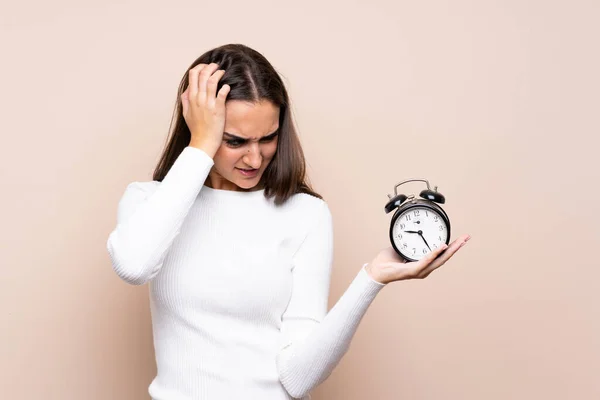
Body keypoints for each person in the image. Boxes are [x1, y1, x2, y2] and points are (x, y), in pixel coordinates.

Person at [106, 43, 470, 400]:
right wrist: (200, 146)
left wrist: (371, 278)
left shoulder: (304, 213)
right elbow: (134, 266)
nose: (255, 157)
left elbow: (298, 379)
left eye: (268, 138)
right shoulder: (150, 201)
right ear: (201, 127)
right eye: (234, 140)